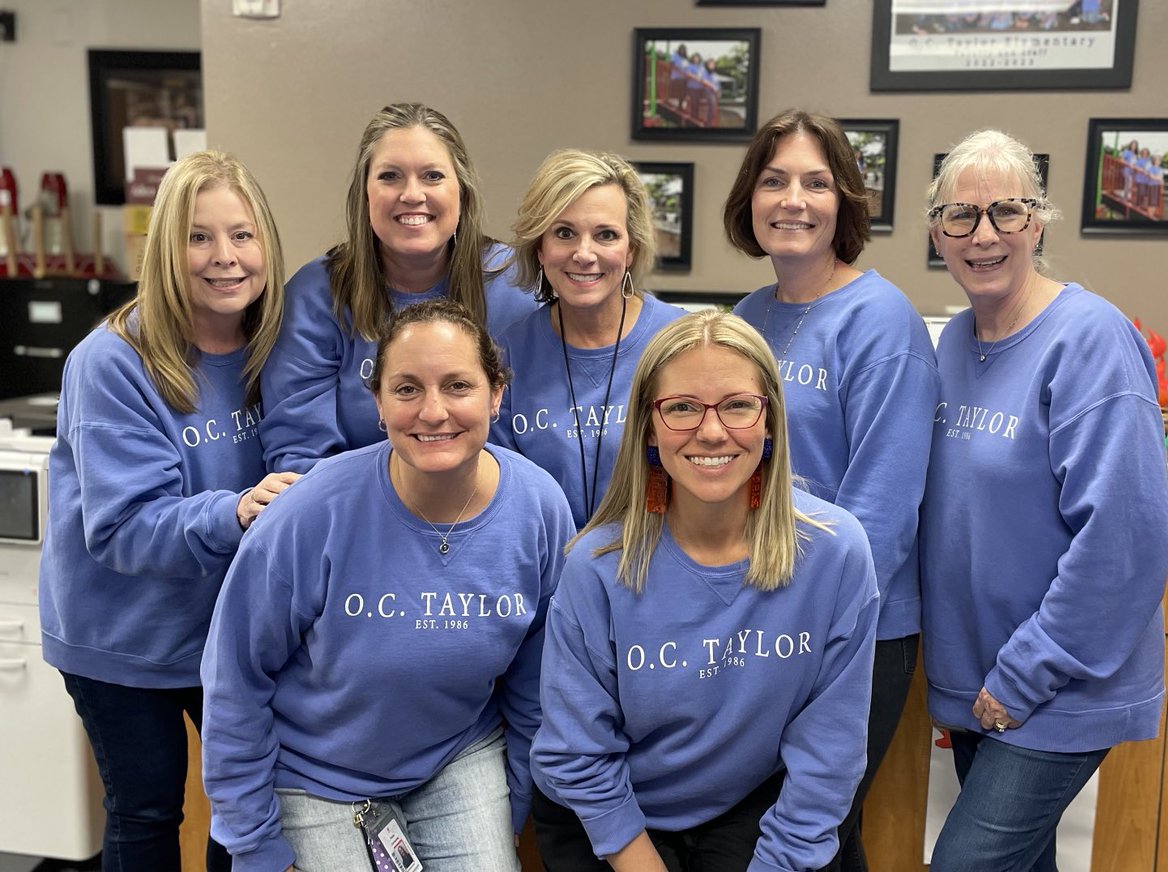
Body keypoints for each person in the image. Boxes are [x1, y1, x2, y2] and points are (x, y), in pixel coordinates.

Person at [201, 299, 576, 872]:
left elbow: (538, 677)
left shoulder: (539, 505)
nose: (433, 411)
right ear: (377, 402)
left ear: (496, 394)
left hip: (455, 755)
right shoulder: (311, 511)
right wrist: (254, 844)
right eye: (406, 389)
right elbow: (234, 677)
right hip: (316, 772)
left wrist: (515, 797)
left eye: (457, 386)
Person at [530, 311, 879, 872]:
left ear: (771, 422)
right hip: (604, 808)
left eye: (738, 405)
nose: (712, 431)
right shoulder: (596, 565)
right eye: (683, 407)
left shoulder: (835, 552)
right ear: (648, 424)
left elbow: (828, 758)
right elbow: (577, 754)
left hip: (744, 803)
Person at [921, 129, 1168, 871]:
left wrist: (1025, 672)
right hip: (980, 683)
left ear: (1037, 222)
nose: (984, 234)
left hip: (1055, 687)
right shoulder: (955, 343)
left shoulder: (1090, 338)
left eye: (1006, 212)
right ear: (937, 234)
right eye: (960, 217)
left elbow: (1124, 542)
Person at [38, 150, 296, 872]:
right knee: (149, 810)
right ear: (165, 250)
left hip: (227, 630)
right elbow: (120, 528)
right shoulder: (113, 361)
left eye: (242, 236)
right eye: (198, 238)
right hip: (123, 632)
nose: (225, 259)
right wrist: (239, 510)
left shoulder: (273, 344)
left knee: (248, 804)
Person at [725, 109, 939, 871]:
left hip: (853, 630)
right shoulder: (748, 317)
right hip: (759, 615)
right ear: (750, 197)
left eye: (817, 182)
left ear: (845, 200)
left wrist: (798, 621)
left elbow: (880, 510)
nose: (794, 200)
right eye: (774, 179)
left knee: (812, 825)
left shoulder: (882, 320)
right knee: (789, 829)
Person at [258, 102, 538, 474]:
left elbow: (539, 432)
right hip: (354, 514)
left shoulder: (515, 285)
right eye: (390, 176)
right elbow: (300, 456)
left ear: (462, 192)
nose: (411, 194)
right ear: (365, 194)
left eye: (432, 176)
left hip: (491, 509)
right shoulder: (316, 296)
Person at [492, 149, 684, 528]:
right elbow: (505, 498)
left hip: (657, 570)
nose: (584, 254)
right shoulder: (506, 354)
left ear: (630, 250)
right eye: (564, 233)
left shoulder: (680, 344)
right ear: (541, 248)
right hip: (546, 574)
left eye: (606, 235)